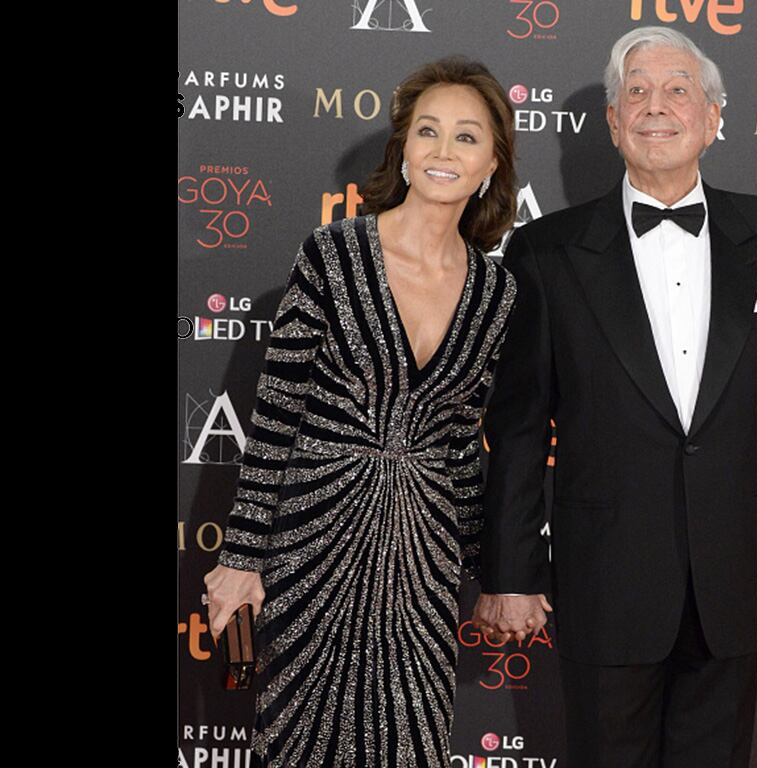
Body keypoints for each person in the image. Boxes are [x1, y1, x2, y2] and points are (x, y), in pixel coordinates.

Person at [471, 26, 757, 767]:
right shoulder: (546, 252)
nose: (655, 105)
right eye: (635, 90)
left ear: (713, 116)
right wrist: (510, 573)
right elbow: (516, 428)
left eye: (677, 89)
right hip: (603, 582)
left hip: (734, 582)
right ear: (611, 122)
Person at [202, 56, 520, 767]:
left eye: (466, 137)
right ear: (402, 149)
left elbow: (463, 445)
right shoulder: (332, 256)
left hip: (423, 563)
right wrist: (242, 557)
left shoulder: (497, 295)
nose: (444, 151)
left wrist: (494, 574)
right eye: (428, 132)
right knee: (302, 740)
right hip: (315, 542)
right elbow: (276, 415)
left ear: (492, 163)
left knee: (409, 742)